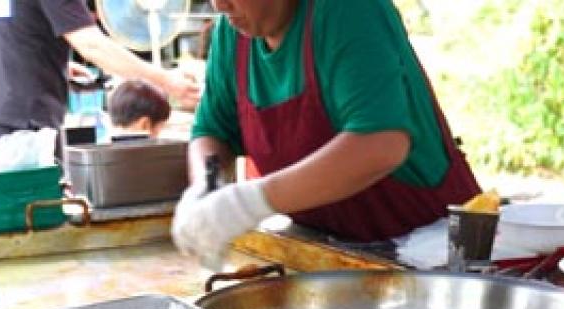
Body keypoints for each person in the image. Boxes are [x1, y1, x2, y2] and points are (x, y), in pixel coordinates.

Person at [171, 0, 480, 268]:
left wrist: (248, 202)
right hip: (330, 250)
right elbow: (212, 131)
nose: (219, 5)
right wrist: (206, 189)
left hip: (432, 249)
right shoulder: (232, 35)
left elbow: (382, 143)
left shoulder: (347, 11)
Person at [0, 0, 201, 143]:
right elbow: (92, 45)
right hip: (22, 117)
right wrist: (167, 81)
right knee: (36, 208)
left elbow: (18, 27)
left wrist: (54, 63)